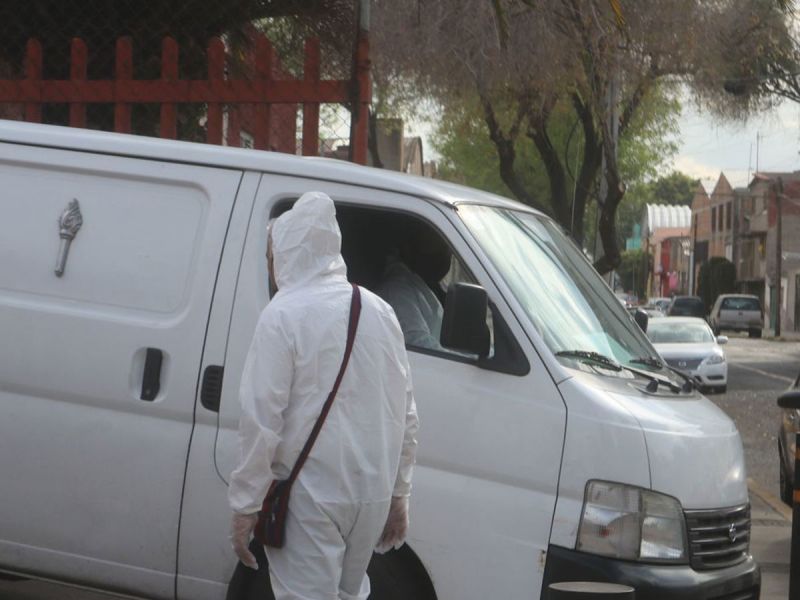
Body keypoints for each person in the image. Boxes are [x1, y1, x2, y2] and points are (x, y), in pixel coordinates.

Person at [228, 191, 419, 600]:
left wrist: (245, 505)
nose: (270, 266)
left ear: (286, 252)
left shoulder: (282, 315)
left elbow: (261, 418)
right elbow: (405, 413)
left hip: (311, 497)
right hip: (371, 495)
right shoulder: (380, 311)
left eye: (271, 255)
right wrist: (399, 493)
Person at [376, 223, 452, 351]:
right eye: (436, 245)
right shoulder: (397, 291)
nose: (446, 252)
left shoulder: (420, 281)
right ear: (408, 247)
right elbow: (418, 343)